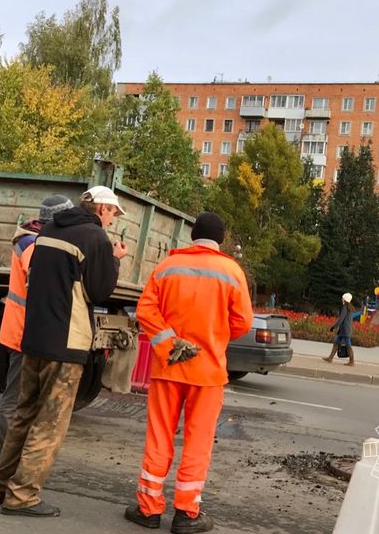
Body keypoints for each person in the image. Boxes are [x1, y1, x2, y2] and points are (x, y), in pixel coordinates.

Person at [0, 185, 129, 517]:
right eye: (113, 213)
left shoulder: (48, 231)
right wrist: (114, 261)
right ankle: (21, 496)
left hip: (33, 338)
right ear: (103, 209)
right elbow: (100, 290)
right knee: (49, 423)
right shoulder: (94, 239)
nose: (112, 221)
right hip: (65, 343)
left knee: (24, 415)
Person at [124, 212, 253, 534]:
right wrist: (214, 336)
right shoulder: (231, 271)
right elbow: (243, 322)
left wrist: (170, 343)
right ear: (220, 239)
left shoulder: (167, 267)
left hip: (169, 368)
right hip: (207, 372)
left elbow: (146, 310)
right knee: (198, 442)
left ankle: (148, 509)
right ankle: (186, 514)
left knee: (159, 437)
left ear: (192, 235)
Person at [0, 195, 73, 462]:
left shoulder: (32, 238)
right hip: (22, 332)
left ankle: (7, 462)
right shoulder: (31, 243)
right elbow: (40, 279)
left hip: (25, 329)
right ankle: (3, 462)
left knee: (21, 401)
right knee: (14, 400)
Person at [323, 293, 356, 366]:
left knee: (348, 345)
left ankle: (352, 361)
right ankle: (330, 358)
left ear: (345, 299)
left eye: (342, 298)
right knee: (336, 342)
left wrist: (334, 327)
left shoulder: (345, 307)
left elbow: (341, 319)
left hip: (344, 330)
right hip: (344, 330)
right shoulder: (350, 307)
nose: (342, 299)